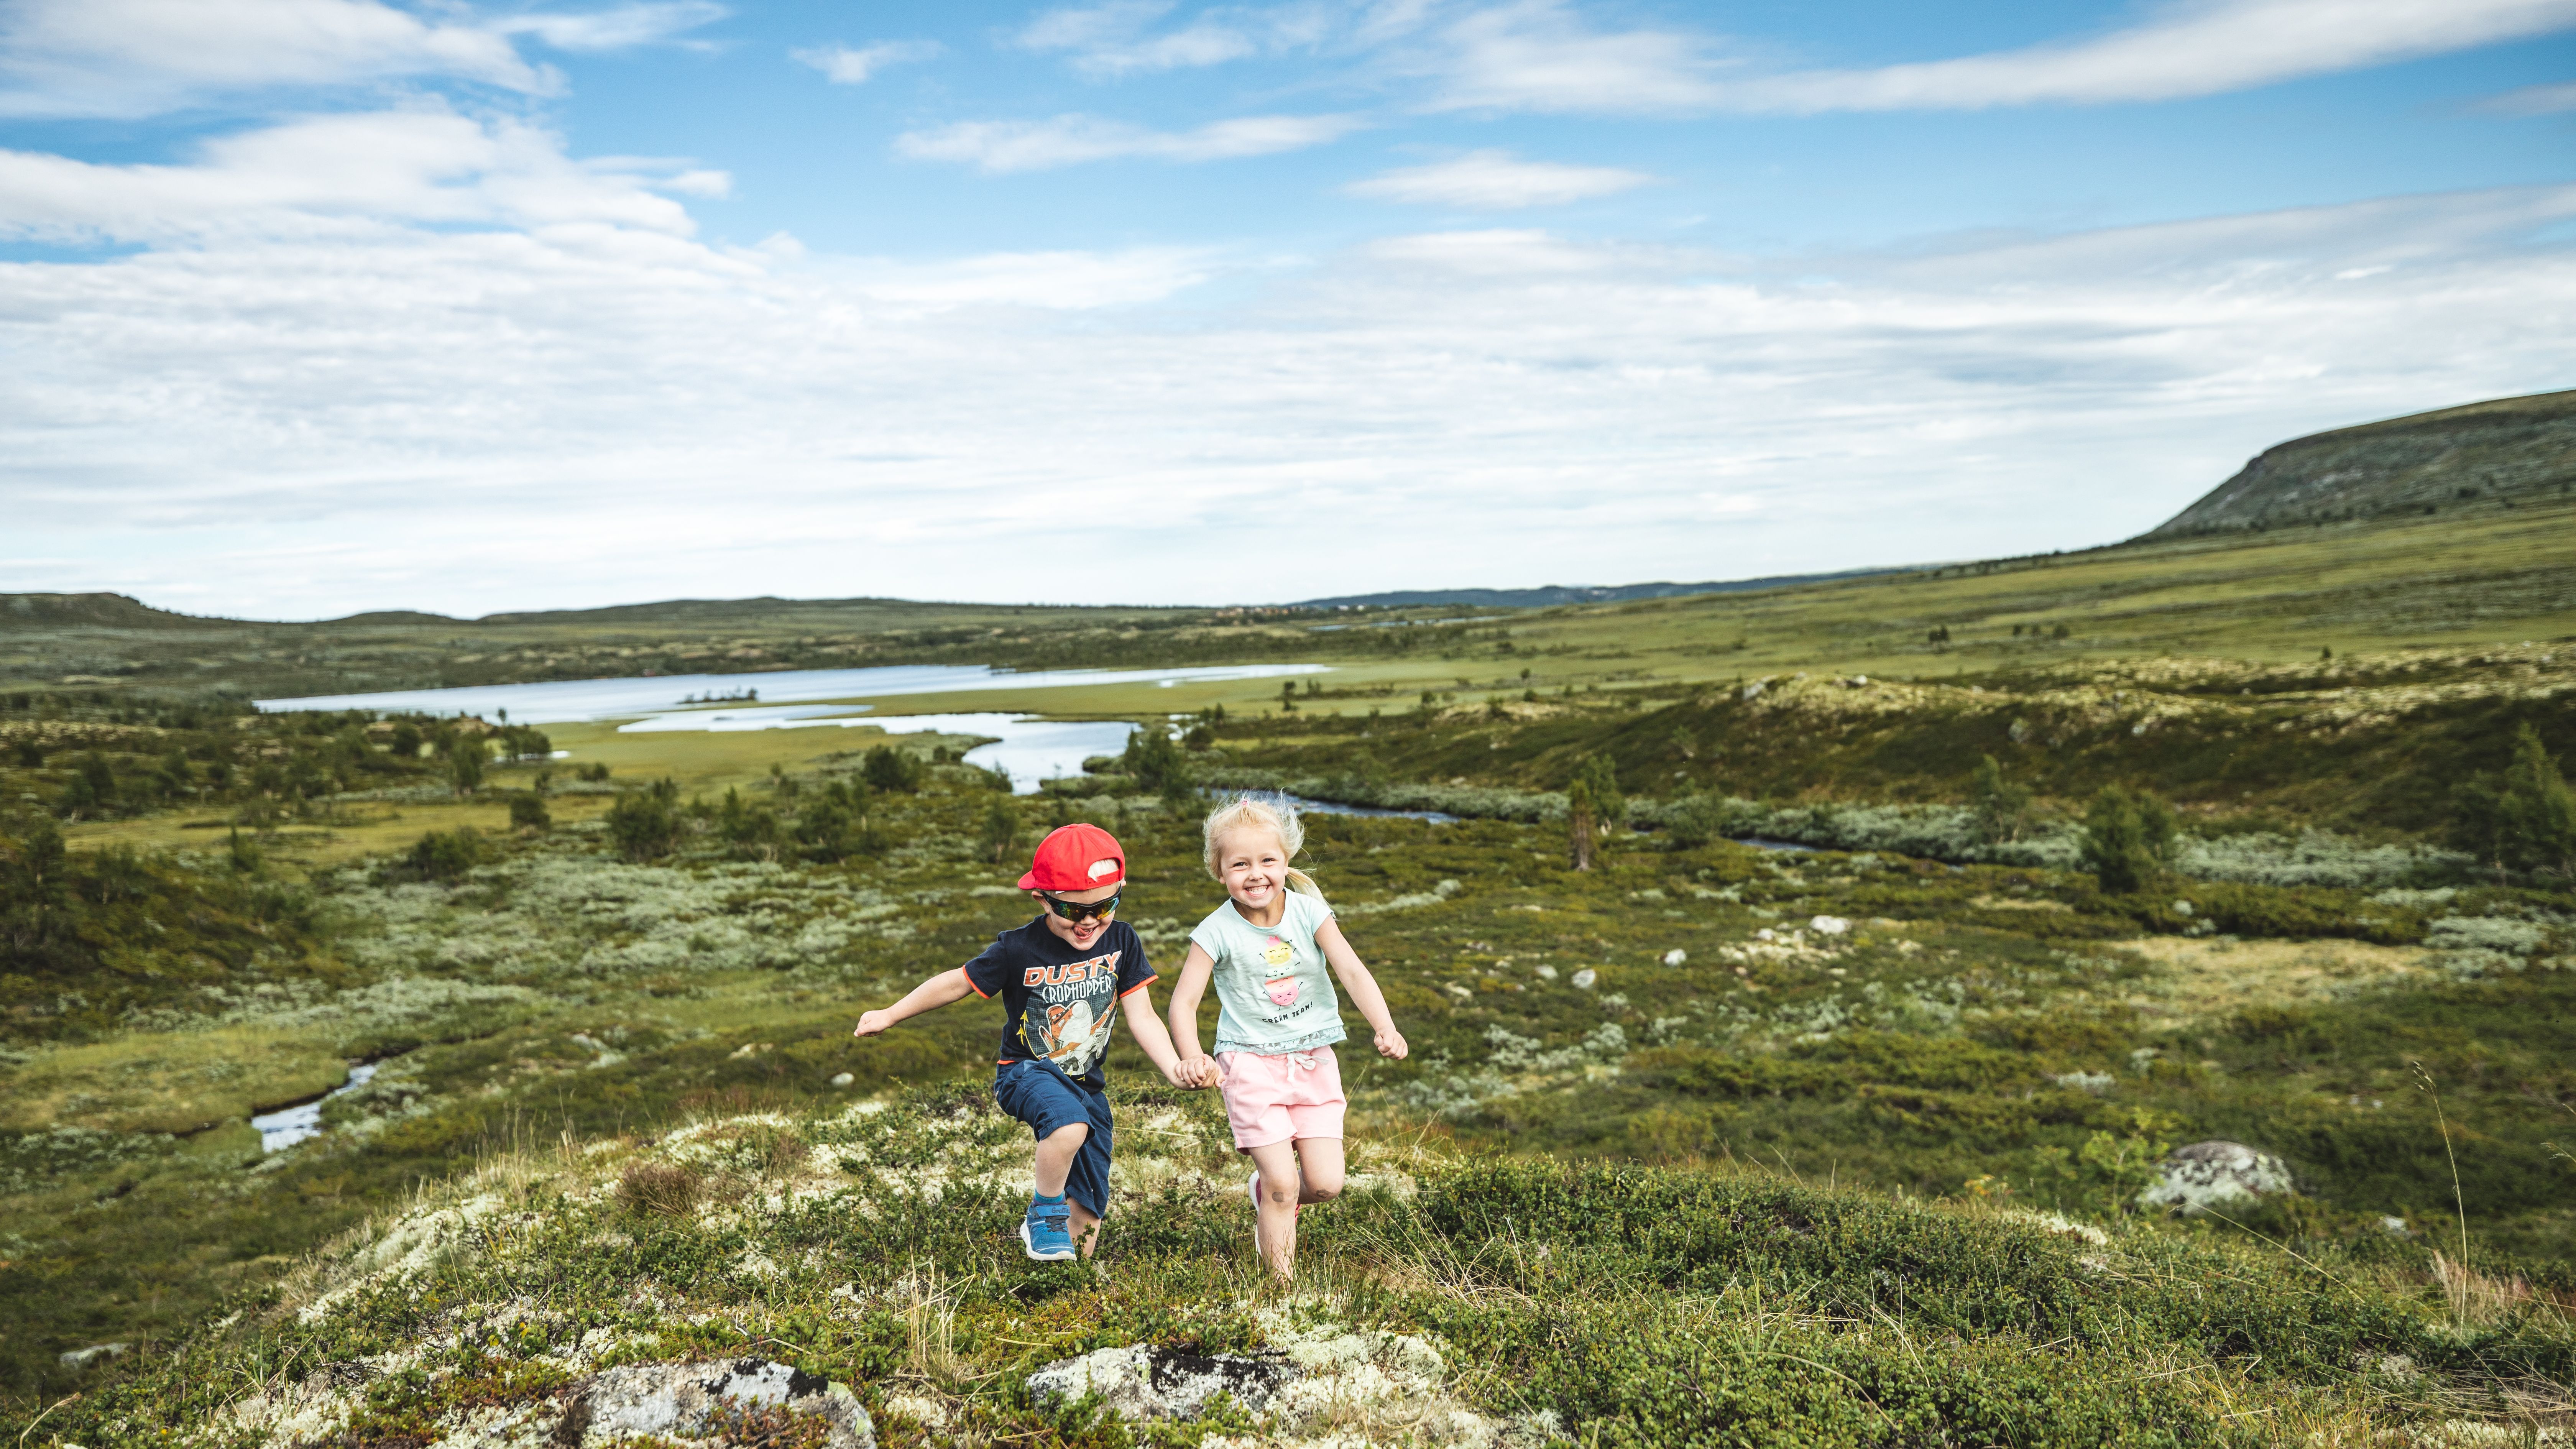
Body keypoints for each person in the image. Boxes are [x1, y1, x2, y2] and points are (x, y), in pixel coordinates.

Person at [852, 822, 1198, 1262]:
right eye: (1073, 911)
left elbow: (1143, 1016)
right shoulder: (1018, 948)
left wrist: (1174, 1069)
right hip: (1025, 1073)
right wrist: (890, 1014)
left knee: (1091, 1206)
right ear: (1043, 899)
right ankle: (1044, 1213)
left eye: (1104, 906)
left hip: (1087, 1084)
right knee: (1069, 1126)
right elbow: (956, 984)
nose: (1089, 922)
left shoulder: (1122, 940)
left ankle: (1067, 1282)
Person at [1165, 796, 1408, 1278]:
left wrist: (1385, 1026)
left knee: (1325, 1185)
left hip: (1314, 1062)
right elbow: (1182, 1003)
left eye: (1267, 861)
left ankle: (1265, 1195)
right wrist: (1192, 1057)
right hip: (1250, 1067)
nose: (1255, 874)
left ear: (1285, 861)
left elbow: (1353, 972)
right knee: (1284, 1185)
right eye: (1240, 864)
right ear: (1220, 872)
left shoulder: (1309, 913)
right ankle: (1281, 1291)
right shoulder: (1214, 931)